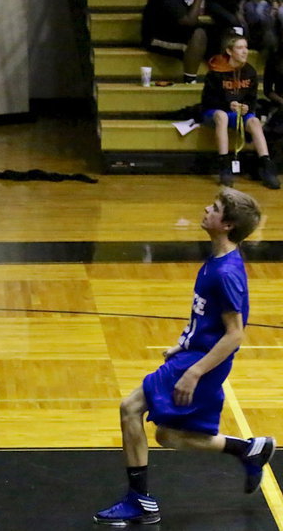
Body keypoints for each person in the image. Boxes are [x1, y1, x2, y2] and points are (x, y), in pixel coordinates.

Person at [93, 188, 275, 526]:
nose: (207, 208)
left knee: (130, 408)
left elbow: (235, 333)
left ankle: (140, 502)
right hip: (192, 355)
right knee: (168, 435)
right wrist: (184, 342)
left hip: (201, 365)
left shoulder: (226, 273)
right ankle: (247, 449)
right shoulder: (216, 261)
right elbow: (206, 317)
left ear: (227, 224)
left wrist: (193, 371)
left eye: (216, 208)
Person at [201, 33, 280, 189]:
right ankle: (224, 163)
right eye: (240, 48)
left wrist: (247, 108)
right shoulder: (216, 71)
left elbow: (252, 98)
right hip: (215, 112)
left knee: (255, 121)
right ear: (229, 51)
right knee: (222, 116)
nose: (245, 51)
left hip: (239, 113)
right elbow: (208, 100)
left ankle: (266, 164)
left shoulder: (249, 71)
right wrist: (227, 105)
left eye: (246, 47)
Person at [141, 0, 211, 84]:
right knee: (198, 35)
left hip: (174, 31)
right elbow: (189, 20)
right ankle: (190, 80)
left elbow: (198, 10)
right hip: (156, 37)